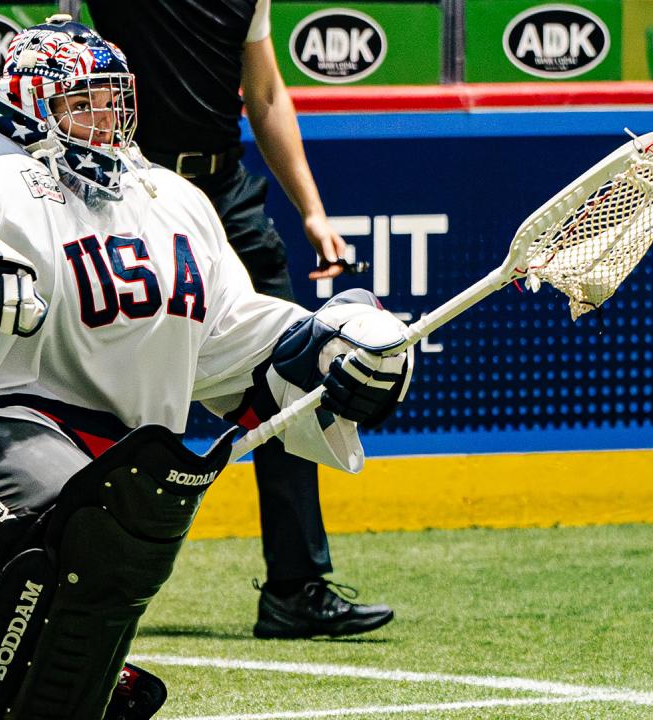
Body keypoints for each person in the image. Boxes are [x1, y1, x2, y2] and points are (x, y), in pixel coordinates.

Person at [0, 16, 412, 720]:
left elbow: (239, 341)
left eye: (114, 101)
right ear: (28, 105)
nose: (105, 120)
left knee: (29, 695)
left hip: (75, 463)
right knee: (87, 555)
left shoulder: (173, 201)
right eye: (83, 102)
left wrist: (335, 353)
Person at [83, 0, 396, 640]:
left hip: (226, 196)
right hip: (127, 198)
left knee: (293, 376)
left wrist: (310, 209)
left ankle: (295, 589)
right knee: (103, 388)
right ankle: (76, 582)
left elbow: (266, 90)